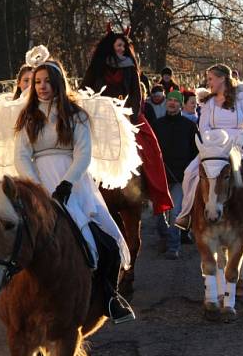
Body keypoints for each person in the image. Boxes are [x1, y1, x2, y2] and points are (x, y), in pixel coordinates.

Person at [14, 56, 135, 322]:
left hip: (74, 181)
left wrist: (66, 184)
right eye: (37, 82)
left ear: (58, 83)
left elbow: (83, 153)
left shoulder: (76, 115)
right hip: (37, 180)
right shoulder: (27, 117)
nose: (42, 86)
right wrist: (36, 186)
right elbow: (21, 155)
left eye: (47, 81)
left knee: (105, 240)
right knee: (8, 235)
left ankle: (110, 296)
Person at [175, 64, 243, 237]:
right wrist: (212, 143)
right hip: (214, 148)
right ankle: (186, 215)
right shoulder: (208, 102)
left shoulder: (240, 98)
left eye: (211, 78)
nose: (209, 82)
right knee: (190, 173)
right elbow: (203, 129)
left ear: (222, 79)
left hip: (239, 146)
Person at [81, 29, 173, 215]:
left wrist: (130, 115)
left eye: (124, 45)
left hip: (127, 113)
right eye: (118, 45)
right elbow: (85, 88)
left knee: (151, 145)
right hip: (100, 113)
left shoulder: (130, 65)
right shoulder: (98, 66)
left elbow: (136, 93)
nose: (122, 49)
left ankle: (154, 192)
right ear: (111, 47)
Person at [153, 90, 199, 260]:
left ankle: (173, 246)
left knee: (175, 212)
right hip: (160, 178)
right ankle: (165, 236)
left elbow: (196, 153)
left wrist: (191, 174)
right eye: (170, 100)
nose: (172, 103)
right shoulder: (157, 125)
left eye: (176, 101)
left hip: (181, 178)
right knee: (158, 215)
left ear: (181, 104)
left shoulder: (189, 126)